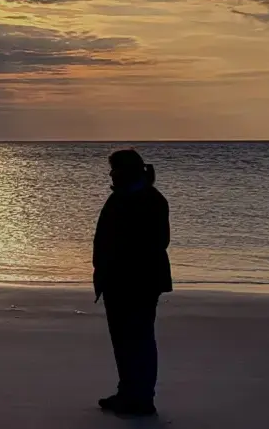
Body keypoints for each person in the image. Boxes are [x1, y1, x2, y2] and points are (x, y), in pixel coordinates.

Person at [93, 149, 172, 416]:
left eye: (115, 169)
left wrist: (120, 262)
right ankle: (127, 392)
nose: (111, 174)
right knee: (122, 340)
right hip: (116, 281)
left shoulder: (151, 199)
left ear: (128, 171)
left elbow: (158, 242)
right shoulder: (121, 196)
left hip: (139, 282)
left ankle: (142, 399)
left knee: (139, 339)